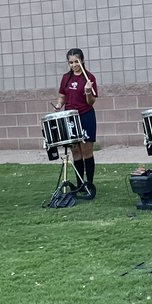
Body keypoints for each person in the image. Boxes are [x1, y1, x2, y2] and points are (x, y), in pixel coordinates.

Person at [53, 48, 98, 196]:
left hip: (85, 116)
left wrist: (87, 91)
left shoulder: (89, 78)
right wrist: (59, 105)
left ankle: (89, 184)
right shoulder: (66, 78)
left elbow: (91, 102)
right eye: (71, 62)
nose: (74, 65)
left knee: (86, 151)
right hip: (70, 117)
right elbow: (62, 96)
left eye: (76, 61)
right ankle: (79, 184)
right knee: (75, 152)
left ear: (82, 60)